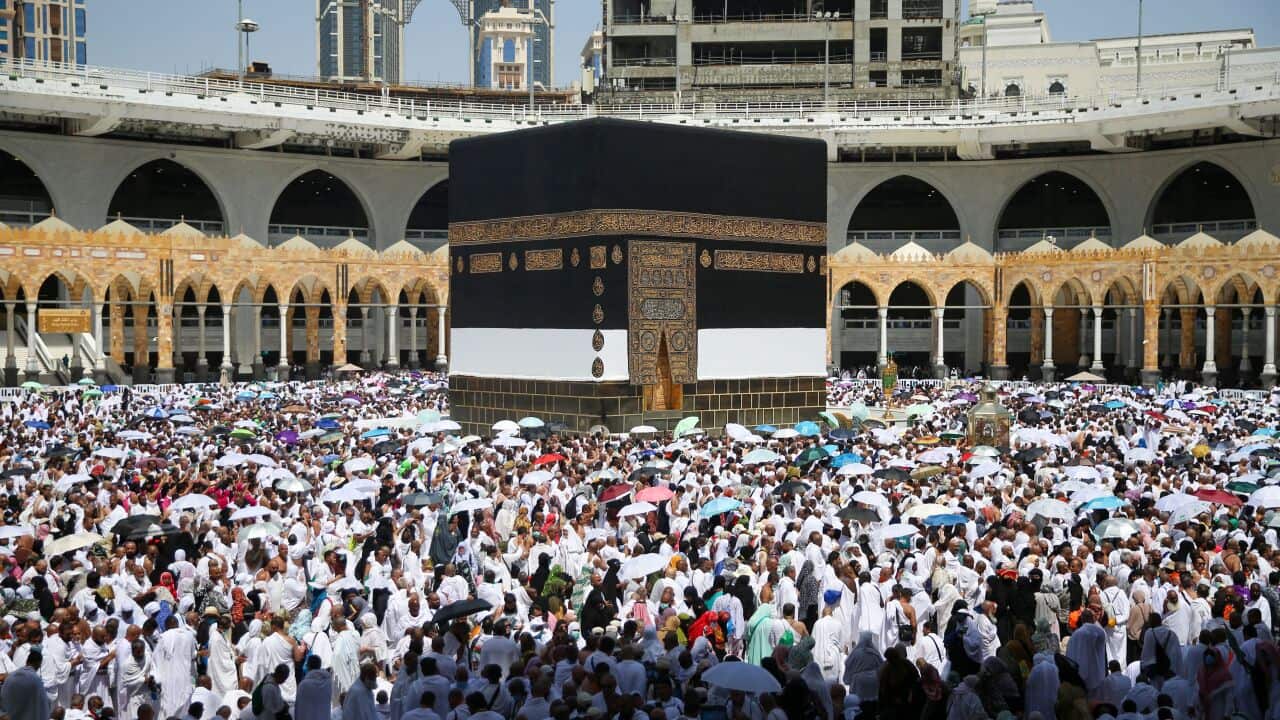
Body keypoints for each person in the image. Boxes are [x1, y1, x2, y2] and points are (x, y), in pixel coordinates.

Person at [1, 649, 52, 720]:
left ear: (26, 661)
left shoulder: (11, 676)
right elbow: (43, 705)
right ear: (39, 664)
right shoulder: (36, 680)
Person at [296, 656, 334, 720]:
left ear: (308, 666)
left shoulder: (303, 685)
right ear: (319, 665)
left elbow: (299, 709)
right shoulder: (328, 683)